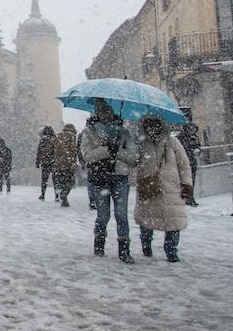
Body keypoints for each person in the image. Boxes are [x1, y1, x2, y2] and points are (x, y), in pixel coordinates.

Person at [79, 99, 140, 262]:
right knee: (103, 215)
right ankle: (99, 243)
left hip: (120, 178)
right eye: (101, 113)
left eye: (107, 112)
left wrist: (117, 151)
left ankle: (124, 250)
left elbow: (134, 158)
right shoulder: (89, 132)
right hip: (100, 178)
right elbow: (88, 156)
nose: (105, 116)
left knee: (121, 215)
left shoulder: (124, 132)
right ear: (96, 114)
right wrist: (106, 150)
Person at [134, 113, 193, 262]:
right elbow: (131, 162)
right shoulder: (140, 143)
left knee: (173, 220)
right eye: (149, 124)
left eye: (155, 124)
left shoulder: (172, 143)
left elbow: (184, 164)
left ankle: (171, 250)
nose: (152, 127)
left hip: (171, 188)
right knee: (147, 219)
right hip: (149, 187)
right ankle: (146, 244)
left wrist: (186, 183)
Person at [51, 123, 78, 207]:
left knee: (60, 180)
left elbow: (50, 148)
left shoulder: (57, 136)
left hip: (57, 163)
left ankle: (61, 194)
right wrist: (73, 161)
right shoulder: (72, 136)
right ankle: (64, 194)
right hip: (68, 163)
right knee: (70, 180)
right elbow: (73, 150)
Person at [177, 121, 201, 206]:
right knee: (185, 182)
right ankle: (186, 199)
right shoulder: (181, 138)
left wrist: (197, 150)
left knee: (191, 181)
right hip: (184, 163)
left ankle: (190, 198)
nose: (193, 132)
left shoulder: (194, 137)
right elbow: (182, 150)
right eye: (192, 130)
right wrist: (191, 152)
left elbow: (198, 146)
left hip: (192, 163)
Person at [35, 125, 55, 200]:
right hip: (54, 162)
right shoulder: (54, 139)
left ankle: (43, 194)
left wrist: (37, 162)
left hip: (45, 162)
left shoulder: (43, 139)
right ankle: (57, 195)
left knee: (44, 180)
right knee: (55, 180)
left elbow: (39, 151)